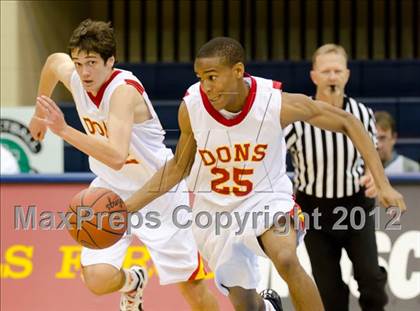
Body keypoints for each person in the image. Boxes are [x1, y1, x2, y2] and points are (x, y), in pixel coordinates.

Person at [122, 37, 406, 311]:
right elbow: (178, 168)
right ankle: (269, 306)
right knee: (246, 305)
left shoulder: (273, 103)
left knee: (286, 258)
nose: (205, 86)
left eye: (212, 77)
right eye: (200, 78)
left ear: (238, 71)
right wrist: (126, 208)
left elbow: (347, 121)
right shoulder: (192, 108)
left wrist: (383, 184)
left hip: (267, 200)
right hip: (215, 211)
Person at [29, 19, 219, 311]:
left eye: (91, 62)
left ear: (110, 61)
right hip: (108, 190)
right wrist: (39, 113)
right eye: (79, 63)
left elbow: (116, 155)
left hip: (157, 191)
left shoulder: (123, 91)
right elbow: (54, 63)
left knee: (192, 289)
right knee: (96, 279)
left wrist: (63, 130)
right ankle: (133, 282)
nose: (84, 71)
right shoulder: (77, 77)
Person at [285, 44, 392, 311]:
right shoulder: (298, 118)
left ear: (347, 74)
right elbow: (274, 156)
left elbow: (371, 155)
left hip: (355, 207)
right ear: (314, 77)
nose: (332, 77)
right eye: (326, 71)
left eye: (337, 71)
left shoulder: (362, 113)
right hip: (315, 213)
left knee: (371, 282)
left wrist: (371, 176)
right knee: (329, 294)